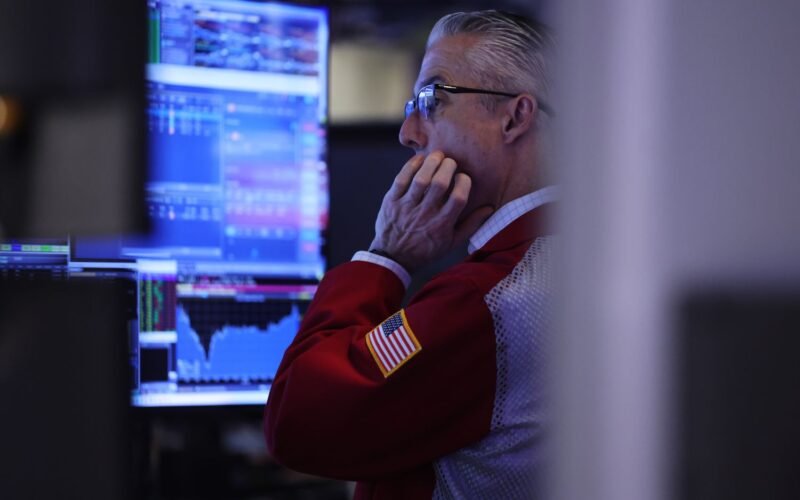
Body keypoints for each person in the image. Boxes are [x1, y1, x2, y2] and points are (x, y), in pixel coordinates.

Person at [264, 10, 556, 499]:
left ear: (514, 117)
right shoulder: (578, 260)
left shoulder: (489, 302)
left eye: (431, 99)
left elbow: (297, 424)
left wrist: (385, 257)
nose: (408, 132)